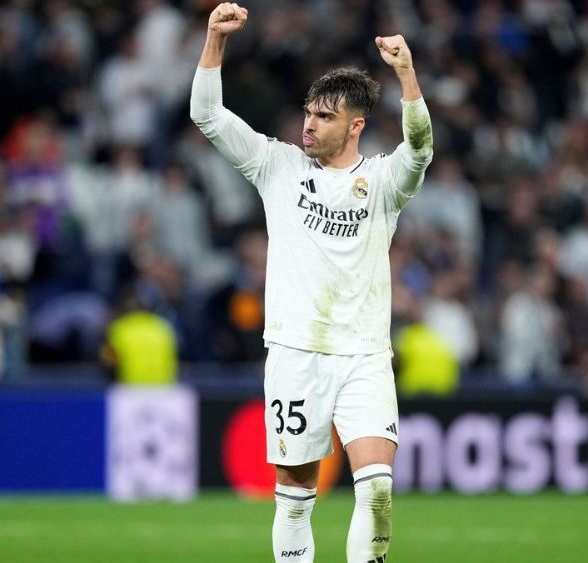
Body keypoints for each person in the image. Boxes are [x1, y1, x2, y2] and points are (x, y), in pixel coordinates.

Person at [190, 4, 434, 562]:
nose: (309, 124)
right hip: (295, 354)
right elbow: (206, 114)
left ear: (355, 126)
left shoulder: (382, 182)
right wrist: (214, 40)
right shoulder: (276, 166)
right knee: (296, 499)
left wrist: (406, 75)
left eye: (324, 117)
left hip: (366, 357)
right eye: (308, 112)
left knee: (376, 489)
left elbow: (419, 148)